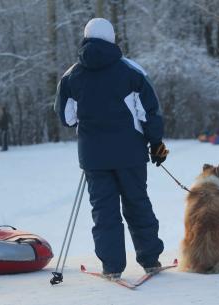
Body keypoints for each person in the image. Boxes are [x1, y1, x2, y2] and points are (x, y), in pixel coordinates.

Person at [54, 18, 168, 278]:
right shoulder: (132, 71)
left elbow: (67, 118)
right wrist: (157, 144)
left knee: (104, 213)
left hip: (93, 157)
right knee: (138, 204)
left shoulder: (71, 76)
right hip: (130, 155)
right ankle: (150, 260)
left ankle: (112, 268)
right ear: (112, 38)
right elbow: (150, 112)